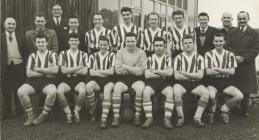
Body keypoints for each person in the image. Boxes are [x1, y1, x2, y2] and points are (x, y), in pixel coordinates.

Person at [17, 34, 58, 126]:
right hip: (33, 81)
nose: (41, 44)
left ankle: (43, 115)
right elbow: (29, 73)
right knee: (21, 91)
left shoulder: (53, 55)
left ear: (47, 43)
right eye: (38, 42)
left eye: (43, 42)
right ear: (35, 43)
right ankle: (31, 115)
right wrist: (47, 71)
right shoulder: (32, 56)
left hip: (48, 81)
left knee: (52, 92)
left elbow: (55, 70)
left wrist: (38, 69)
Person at [205, 33, 244, 124]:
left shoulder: (230, 55)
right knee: (211, 95)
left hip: (226, 82)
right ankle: (211, 112)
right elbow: (208, 72)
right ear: (213, 42)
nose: (219, 43)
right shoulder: (208, 54)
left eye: (221, 41)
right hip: (212, 82)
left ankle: (223, 110)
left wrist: (217, 68)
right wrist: (225, 70)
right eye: (216, 41)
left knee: (239, 96)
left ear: (224, 42)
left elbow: (232, 72)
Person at [226, 11, 259, 116]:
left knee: (246, 88)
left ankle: (244, 109)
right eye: (240, 19)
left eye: (244, 18)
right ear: (237, 20)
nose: (242, 21)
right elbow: (227, 46)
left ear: (248, 19)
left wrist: (244, 58)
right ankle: (233, 108)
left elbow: (256, 48)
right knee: (235, 86)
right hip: (235, 63)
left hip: (247, 64)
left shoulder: (254, 32)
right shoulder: (232, 32)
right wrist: (235, 56)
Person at [173, 34, 209, 128]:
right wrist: (192, 76)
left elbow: (200, 75)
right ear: (182, 45)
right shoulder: (178, 57)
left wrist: (185, 73)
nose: (188, 45)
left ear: (193, 44)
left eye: (190, 43)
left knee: (205, 93)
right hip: (181, 83)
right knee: (176, 92)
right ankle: (181, 118)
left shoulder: (199, 58)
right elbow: (176, 76)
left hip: (195, 83)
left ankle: (197, 118)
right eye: (185, 43)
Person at [111, 32, 147, 127]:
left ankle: (137, 115)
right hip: (123, 79)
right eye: (128, 41)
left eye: (132, 41)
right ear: (125, 41)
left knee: (140, 89)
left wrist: (125, 66)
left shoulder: (141, 52)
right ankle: (116, 116)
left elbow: (141, 72)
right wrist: (134, 68)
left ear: (136, 41)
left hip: (137, 79)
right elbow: (118, 71)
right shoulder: (120, 52)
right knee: (117, 88)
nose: (130, 43)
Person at [1, 17, 31, 120]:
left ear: (15, 26)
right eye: (9, 24)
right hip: (5, 67)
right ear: (4, 25)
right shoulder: (0, 38)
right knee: (6, 90)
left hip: (19, 67)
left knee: (18, 89)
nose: (11, 26)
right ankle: (6, 112)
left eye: (13, 24)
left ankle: (19, 111)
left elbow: (27, 53)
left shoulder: (21, 37)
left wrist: (25, 66)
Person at [142, 37, 174, 129]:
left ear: (164, 47)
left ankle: (167, 119)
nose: (158, 47)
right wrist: (163, 73)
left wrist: (155, 71)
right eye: (156, 45)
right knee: (146, 93)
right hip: (152, 83)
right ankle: (149, 118)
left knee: (170, 93)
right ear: (153, 47)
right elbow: (147, 75)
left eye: (160, 45)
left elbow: (170, 73)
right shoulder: (149, 59)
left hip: (165, 83)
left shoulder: (168, 58)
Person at [57, 33, 88, 124]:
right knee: (59, 92)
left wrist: (69, 70)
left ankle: (76, 112)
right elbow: (63, 71)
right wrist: (78, 67)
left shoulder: (84, 54)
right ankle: (68, 114)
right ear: (68, 42)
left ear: (78, 42)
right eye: (71, 40)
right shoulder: (63, 53)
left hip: (79, 80)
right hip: (66, 80)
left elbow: (85, 71)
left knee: (82, 91)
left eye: (75, 40)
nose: (73, 42)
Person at [85, 36, 115, 128]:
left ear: (108, 45)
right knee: (89, 86)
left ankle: (103, 118)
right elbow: (91, 72)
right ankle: (93, 110)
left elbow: (112, 72)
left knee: (107, 92)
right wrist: (104, 73)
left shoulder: (112, 55)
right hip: (97, 81)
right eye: (101, 44)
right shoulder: (93, 56)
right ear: (98, 45)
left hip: (109, 81)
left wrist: (98, 72)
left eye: (104, 45)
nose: (103, 46)